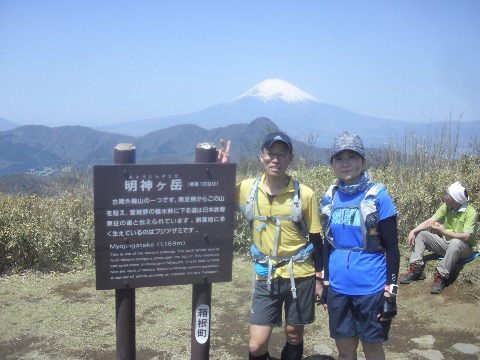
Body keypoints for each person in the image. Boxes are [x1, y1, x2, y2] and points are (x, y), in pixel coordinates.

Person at [216, 132, 325, 360]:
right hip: (266, 273)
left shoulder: (305, 194)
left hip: (300, 273)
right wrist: (221, 173)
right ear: (261, 156)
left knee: (294, 334)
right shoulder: (247, 189)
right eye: (271, 154)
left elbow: (316, 238)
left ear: (290, 159)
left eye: (282, 154)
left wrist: (319, 278)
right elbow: (217, 200)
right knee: (257, 346)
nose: (276, 159)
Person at [319, 131, 400, 360]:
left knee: (372, 349)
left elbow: (392, 249)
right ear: (333, 164)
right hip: (338, 286)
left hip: (371, 287)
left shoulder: (378, 196)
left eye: (352, 157)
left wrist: (390, 293)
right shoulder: (330, 197)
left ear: (363, 161)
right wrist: (325, 283)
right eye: (339, 158)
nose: (346, 164)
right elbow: (328, 243)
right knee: (344, 350)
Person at [400, 181, 478, 294]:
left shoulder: (470, 212)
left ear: (455, 199)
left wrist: (444, 232)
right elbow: (430, 221)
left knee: (456, 242)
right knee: (422, 235)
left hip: (464, 248)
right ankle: (416, 268)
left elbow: (466, 237)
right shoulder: (447, 206)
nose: (445, 196)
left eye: (448, 195)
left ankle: (441, 275)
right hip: (447, 244)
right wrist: (413, 231)